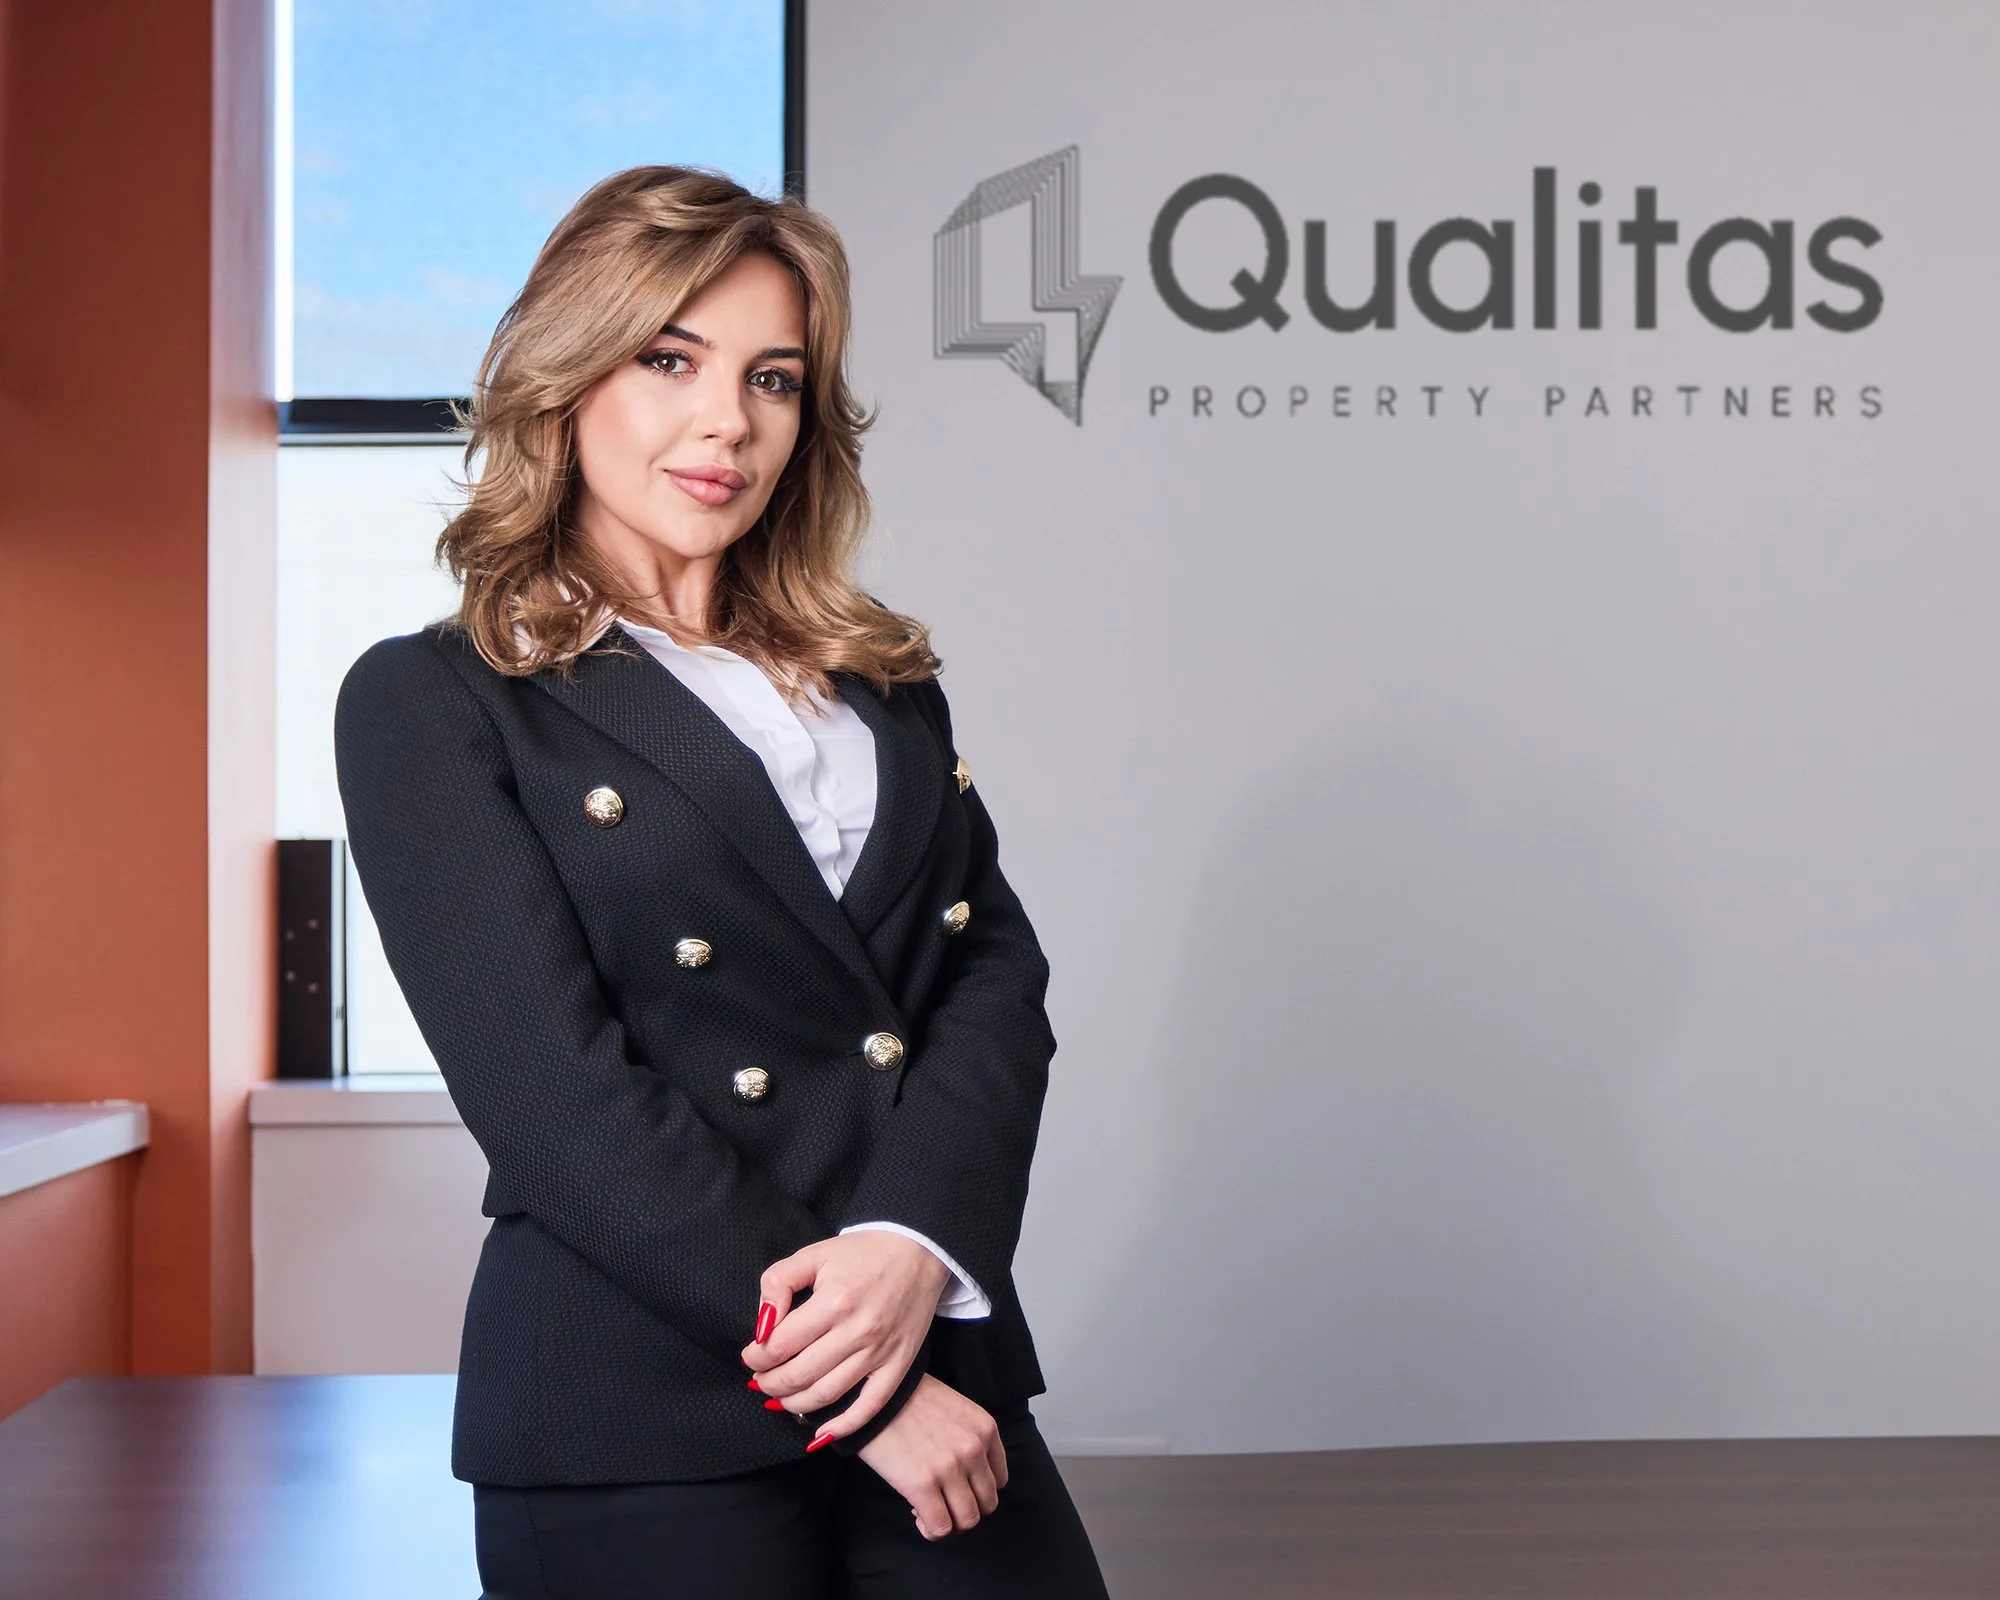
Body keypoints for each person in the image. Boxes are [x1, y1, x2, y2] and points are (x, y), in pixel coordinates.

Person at [333, 166, 1111, 1598]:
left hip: (921, 1332)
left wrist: (908, 1242)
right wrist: (862, 1387)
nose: (727, 422)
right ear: (565, 379)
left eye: (774, 378)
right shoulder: (437, 700)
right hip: (643, 1394)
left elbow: (991, 980)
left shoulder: (879, 687)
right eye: (670, 360)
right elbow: (557, 1098)